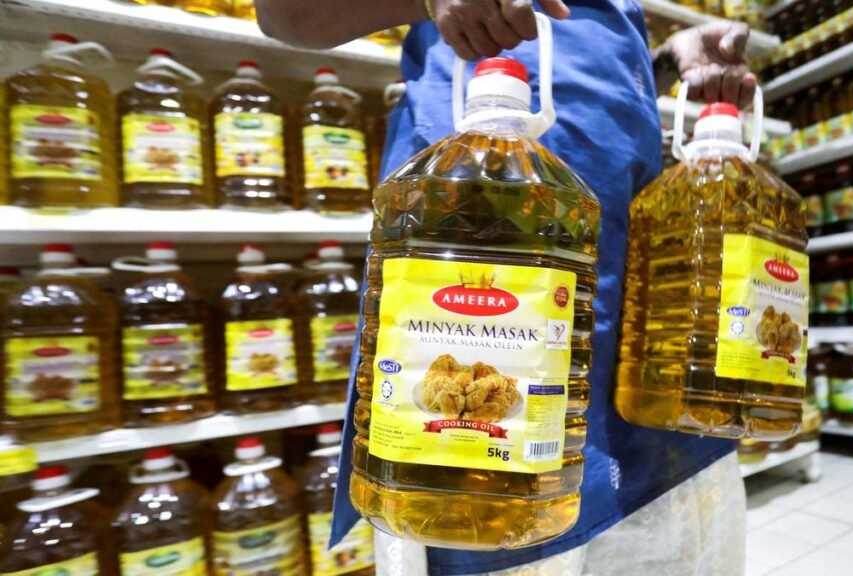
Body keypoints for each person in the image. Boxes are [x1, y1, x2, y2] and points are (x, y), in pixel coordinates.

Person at [257, 1, 755, 574]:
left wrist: (662, 63)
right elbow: (284, 13)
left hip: (613, 256)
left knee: (642, 497)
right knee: (473, 495)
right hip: (477, 229)